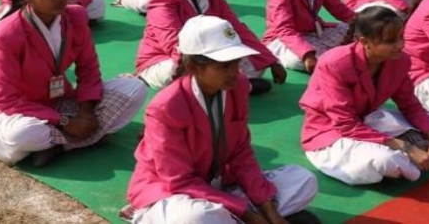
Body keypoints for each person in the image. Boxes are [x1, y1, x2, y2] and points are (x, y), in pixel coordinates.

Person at [125, 15, 320, 224]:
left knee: (303, 179)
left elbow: (241, 153)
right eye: (224, 66)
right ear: (193, 68)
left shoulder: (239, 86)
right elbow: (180, 181)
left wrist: (269, 210)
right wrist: (249, 214)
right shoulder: (165, 107)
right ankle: (231, 216)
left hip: (217, 184)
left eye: (237, 63)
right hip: (172, 191)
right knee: (196, 217)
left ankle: (231, 216)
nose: (235, 73)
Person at [0, 0, 148, 167]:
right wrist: (65, 122)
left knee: (134, 87)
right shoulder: (4, 35)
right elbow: (5, 99)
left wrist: (85, 113)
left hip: (60, 102)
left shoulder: (75, 16)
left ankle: (60, 144)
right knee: (22, 134)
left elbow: (89, 70)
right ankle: (80, 138)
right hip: (16, 112)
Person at [299, 6, 429, 186]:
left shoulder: (400, 60)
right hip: (332, 132)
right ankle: (403, 151)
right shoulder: (335, 63)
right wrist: (407, 147)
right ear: (365, 42)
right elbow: (345, 124)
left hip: (369, 121)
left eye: (401, 37)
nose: (400, 45)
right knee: (388, 162)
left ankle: (407, 150)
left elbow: (410, 106)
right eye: (390, 41)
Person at [136, 0, 284, 94]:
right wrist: (212, 63)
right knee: (189, 69)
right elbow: (173, 44)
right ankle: (242, 86)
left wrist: (270, 60)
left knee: (254, 60)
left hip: (210, 52)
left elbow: (236, 29)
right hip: (166, 59)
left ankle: (222, 84)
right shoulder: (162, 2)